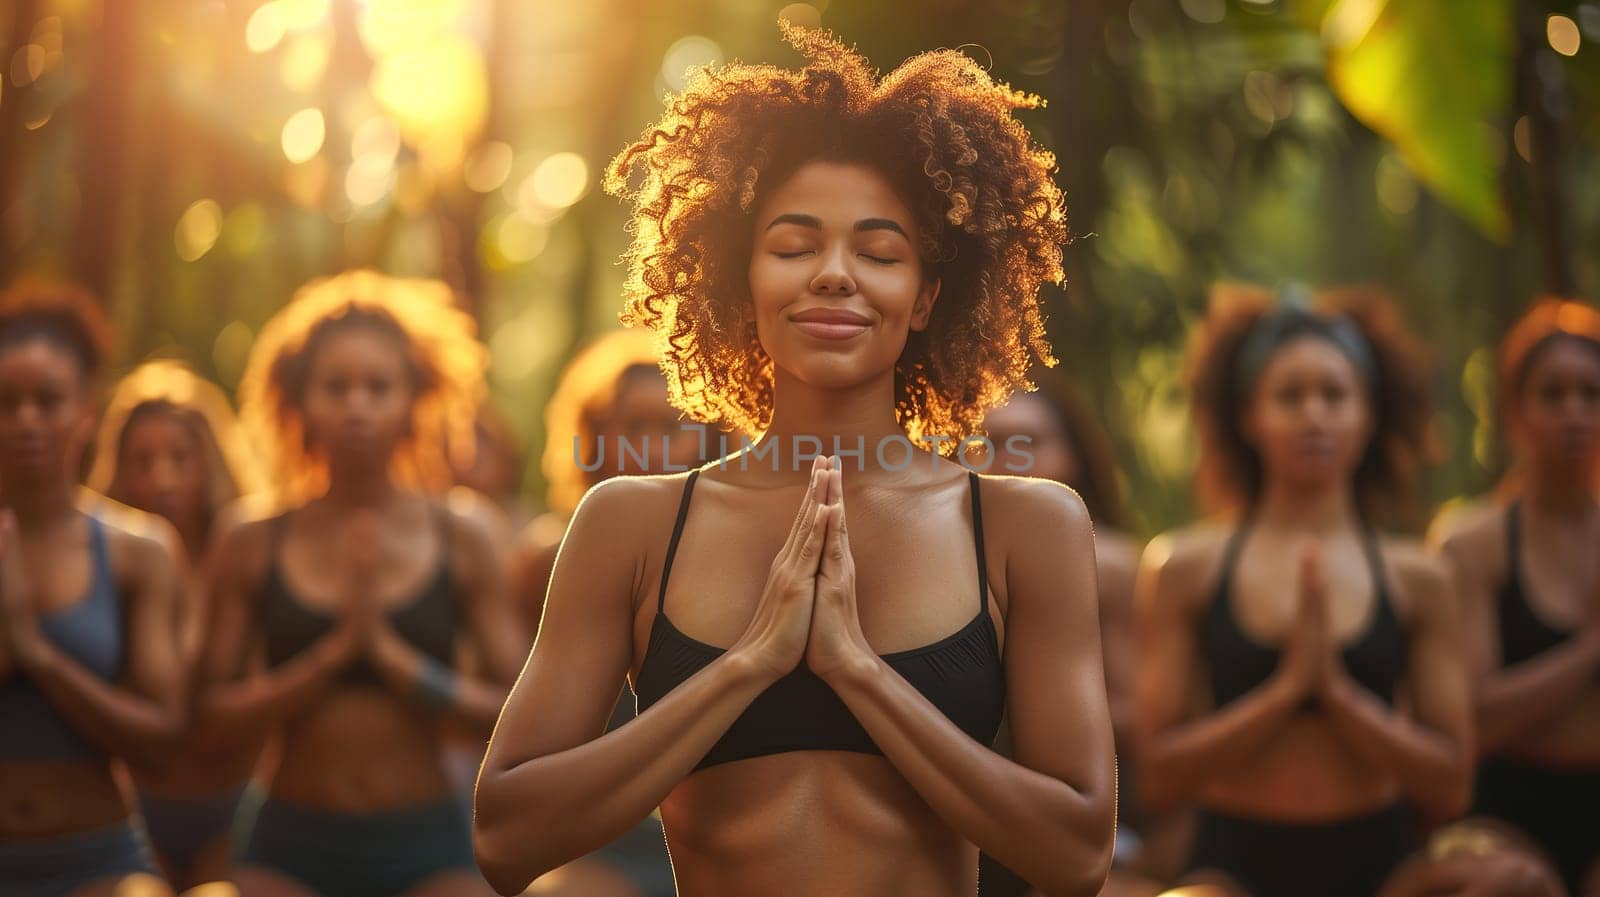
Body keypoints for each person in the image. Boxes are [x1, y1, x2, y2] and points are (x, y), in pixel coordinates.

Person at [475, 23, 1116, 897]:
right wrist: (748, 663)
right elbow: (506, 838)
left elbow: (1077, 856)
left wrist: (859, 671)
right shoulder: (632, 524)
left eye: (880, 252)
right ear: (743, 280)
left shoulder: (1023, 526)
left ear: (927, 295)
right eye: (793, 245)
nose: (835, 275)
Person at [1133, 283, 1474, 897]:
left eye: (1335, 395)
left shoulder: (1417, 578)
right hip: (1233, 864)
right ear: (1249, 417)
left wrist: (1339, 696)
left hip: (1382, 862)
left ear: (1367, 415)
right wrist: (1287, 691)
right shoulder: (1185, 567)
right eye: (1290, 396)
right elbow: (1155, 775)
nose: (1314, 414)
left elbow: (1452, 784)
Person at [195, 270, 527, 897]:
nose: (357, 406)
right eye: (335, 387)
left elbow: (516, 712)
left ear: (414, 401)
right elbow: (207, 718)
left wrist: (393, 660)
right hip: (288, 843)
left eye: (379, 387)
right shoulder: (250, 539)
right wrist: (331, 658)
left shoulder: (466, 535)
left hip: (429, 841)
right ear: (299, 403)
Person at [0, 280, 187, 896]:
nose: (26, 420)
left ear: (86, 409)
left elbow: (163, 740)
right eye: (7, 401)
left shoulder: (140, 551)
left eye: (47, 400)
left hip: (97, 862)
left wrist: (38, 656)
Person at [1430, 298, 1600, 896]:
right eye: (1553, 395)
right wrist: (1589, 651)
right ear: (1515, 413)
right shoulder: (1474, 544)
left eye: (1591, 393)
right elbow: (1472, 721)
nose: (1575, 412)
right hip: (1501, 813)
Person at [86, 359, 268, 887]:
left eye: (179, 458)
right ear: (118, 467)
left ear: (210, 462)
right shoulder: (102, 565)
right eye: (142, 461)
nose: (160, 478)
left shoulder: (247, 559)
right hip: (132, 809)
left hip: (233, 807)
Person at [980, 372, 1159, 896]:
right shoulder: (939, 555)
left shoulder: (1111, 562)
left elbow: (1142, 715)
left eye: (1027, 442)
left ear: (1072, 455)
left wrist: (1048, 702)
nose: (1005, 458)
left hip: (1090, 818)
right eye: (983, 443)